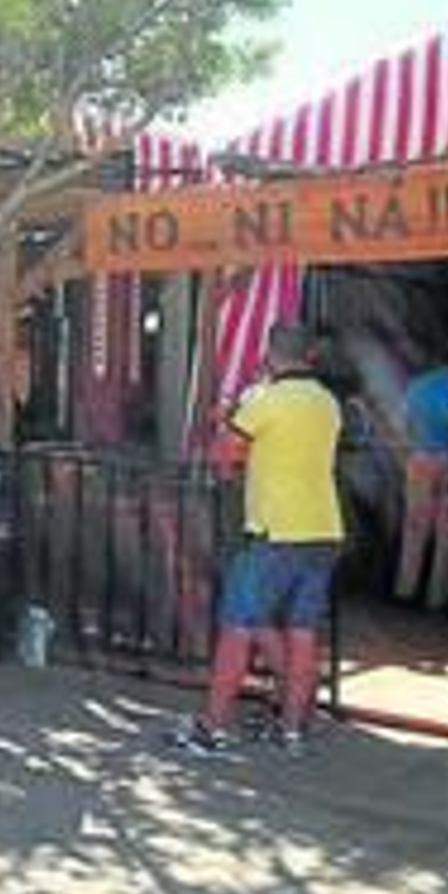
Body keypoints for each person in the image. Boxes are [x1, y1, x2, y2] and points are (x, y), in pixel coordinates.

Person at [166, 324, 344, 758]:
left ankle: (211, 727)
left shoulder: (265, 399)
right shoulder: (327, 403)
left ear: (269, 354)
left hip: (273, 528)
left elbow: (223, 453)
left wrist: (225, 418)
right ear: (310, 356)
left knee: (238, 628)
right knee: (301, 631)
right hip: (323, 528)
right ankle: (291, 729)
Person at [394, 356, 448, 609]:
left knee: (415, 527)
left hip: (420, 458)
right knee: (447, 532)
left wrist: (408, 451)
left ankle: (406, 591)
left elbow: (403, 425)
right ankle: (438, 598)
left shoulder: (417, 386)